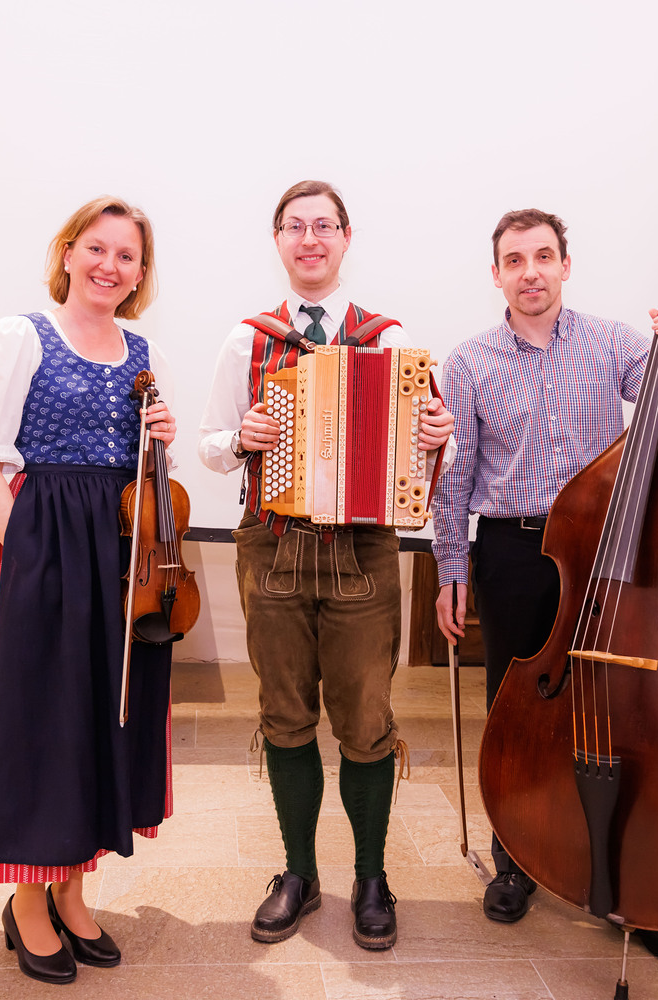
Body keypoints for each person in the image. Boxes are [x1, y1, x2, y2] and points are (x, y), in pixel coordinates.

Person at [431, 208, 658, 972]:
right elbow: (454, 477)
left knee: (626, 714)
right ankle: (516, 862)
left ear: (565, 265)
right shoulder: (468, 362)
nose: (530, 272)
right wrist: (451, 570)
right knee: (518, 715)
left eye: (543, 256)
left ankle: (638, 887)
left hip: (606, 552)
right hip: (515, 553)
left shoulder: (616, 342)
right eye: (514, 260)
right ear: (496, 274)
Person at [197, 180, 455, 951]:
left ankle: (372, 877)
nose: (310, 239)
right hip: (272, 546)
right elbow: (209, 445)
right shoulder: (246, 341)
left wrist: (434, 435)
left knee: (368, 721)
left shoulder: (389, 337)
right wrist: (240, 439)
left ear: (346, 238)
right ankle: (299, 873)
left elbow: (418, 454)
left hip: (363, 553)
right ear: (278, 240)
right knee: (284, 714)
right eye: (295, 227)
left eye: (324, 226)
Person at [0, 197, 178, 986]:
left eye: (127, 256)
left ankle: (74, 891)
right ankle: (28, 900)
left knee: (101, 718)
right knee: (43, 721)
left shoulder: (141, 351)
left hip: (116, 550)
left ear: (140, 273)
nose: (110, 265)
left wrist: (161, 442)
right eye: (97, 248)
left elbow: (137, 471)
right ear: (69, 252)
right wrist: (32, 552)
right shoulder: (20, 337)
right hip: (45, 544)